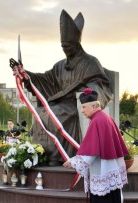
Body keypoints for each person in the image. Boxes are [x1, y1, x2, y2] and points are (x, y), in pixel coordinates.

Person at [10, 10, 112, 166]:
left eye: (68, 46)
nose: (65, 49)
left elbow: (100, 83)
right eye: (62, 46)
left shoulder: (90, 62)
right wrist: (25, 75)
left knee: (55, 114)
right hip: (58, 103)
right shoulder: (59, 66)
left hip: (75, 106)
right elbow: (45, 80)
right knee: (41, 112)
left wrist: (86, 94)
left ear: (77, 44)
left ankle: (58, 157)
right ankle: (42, 153)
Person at [63, 88, 128, 203]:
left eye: (84, 107)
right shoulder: (105, 118)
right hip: (108, 166)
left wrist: (72, 162)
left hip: (102, 169)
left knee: (102, 201)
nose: (83, 111)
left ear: (93, 106)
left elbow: (90, 152)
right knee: (111, 198)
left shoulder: (97, 121)